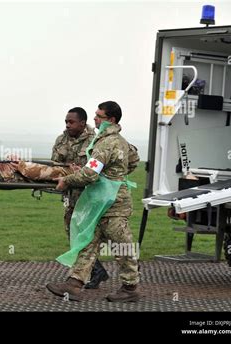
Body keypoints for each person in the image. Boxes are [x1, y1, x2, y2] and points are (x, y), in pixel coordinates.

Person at [46, 101, 141, 302]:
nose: (95, 118)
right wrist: (116, 175)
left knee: (122, 246)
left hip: (113, 205)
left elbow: (89, 173)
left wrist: (67, 180)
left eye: (99, 116)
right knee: (88, 243)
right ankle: (74, 284)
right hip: (102, 203)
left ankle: (130, 288)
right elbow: (133, 160)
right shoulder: (117, 140)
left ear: (111, 120)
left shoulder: (106, 143)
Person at [51, 107, 109, 289]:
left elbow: (98, 169)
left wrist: (79, 171)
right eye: (66, 121)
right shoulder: (61, 140)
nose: (67, 125)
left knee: (104, 235)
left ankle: (129, 266)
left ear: (83, 123)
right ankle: (97, 270)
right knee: (74, 235)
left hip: (92, 197)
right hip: (71, 197)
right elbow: (54, 164)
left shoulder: (96, 141)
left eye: (71, 122)